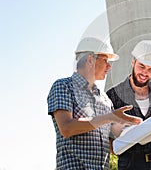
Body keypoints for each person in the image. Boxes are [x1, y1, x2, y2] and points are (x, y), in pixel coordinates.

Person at [47, 37, 142, 170]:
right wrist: (110, 117)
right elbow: (67, 128)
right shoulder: (63, 87)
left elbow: (113, 144)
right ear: (90, 60)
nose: (109, 66)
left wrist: (148, 128)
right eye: (105, 60)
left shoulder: (105, 99)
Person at [106, 40, 151, 170]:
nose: (145, 73)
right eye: (142, 66)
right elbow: (106, 136)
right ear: (133, 61)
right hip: (130, 164)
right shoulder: (113, 96)